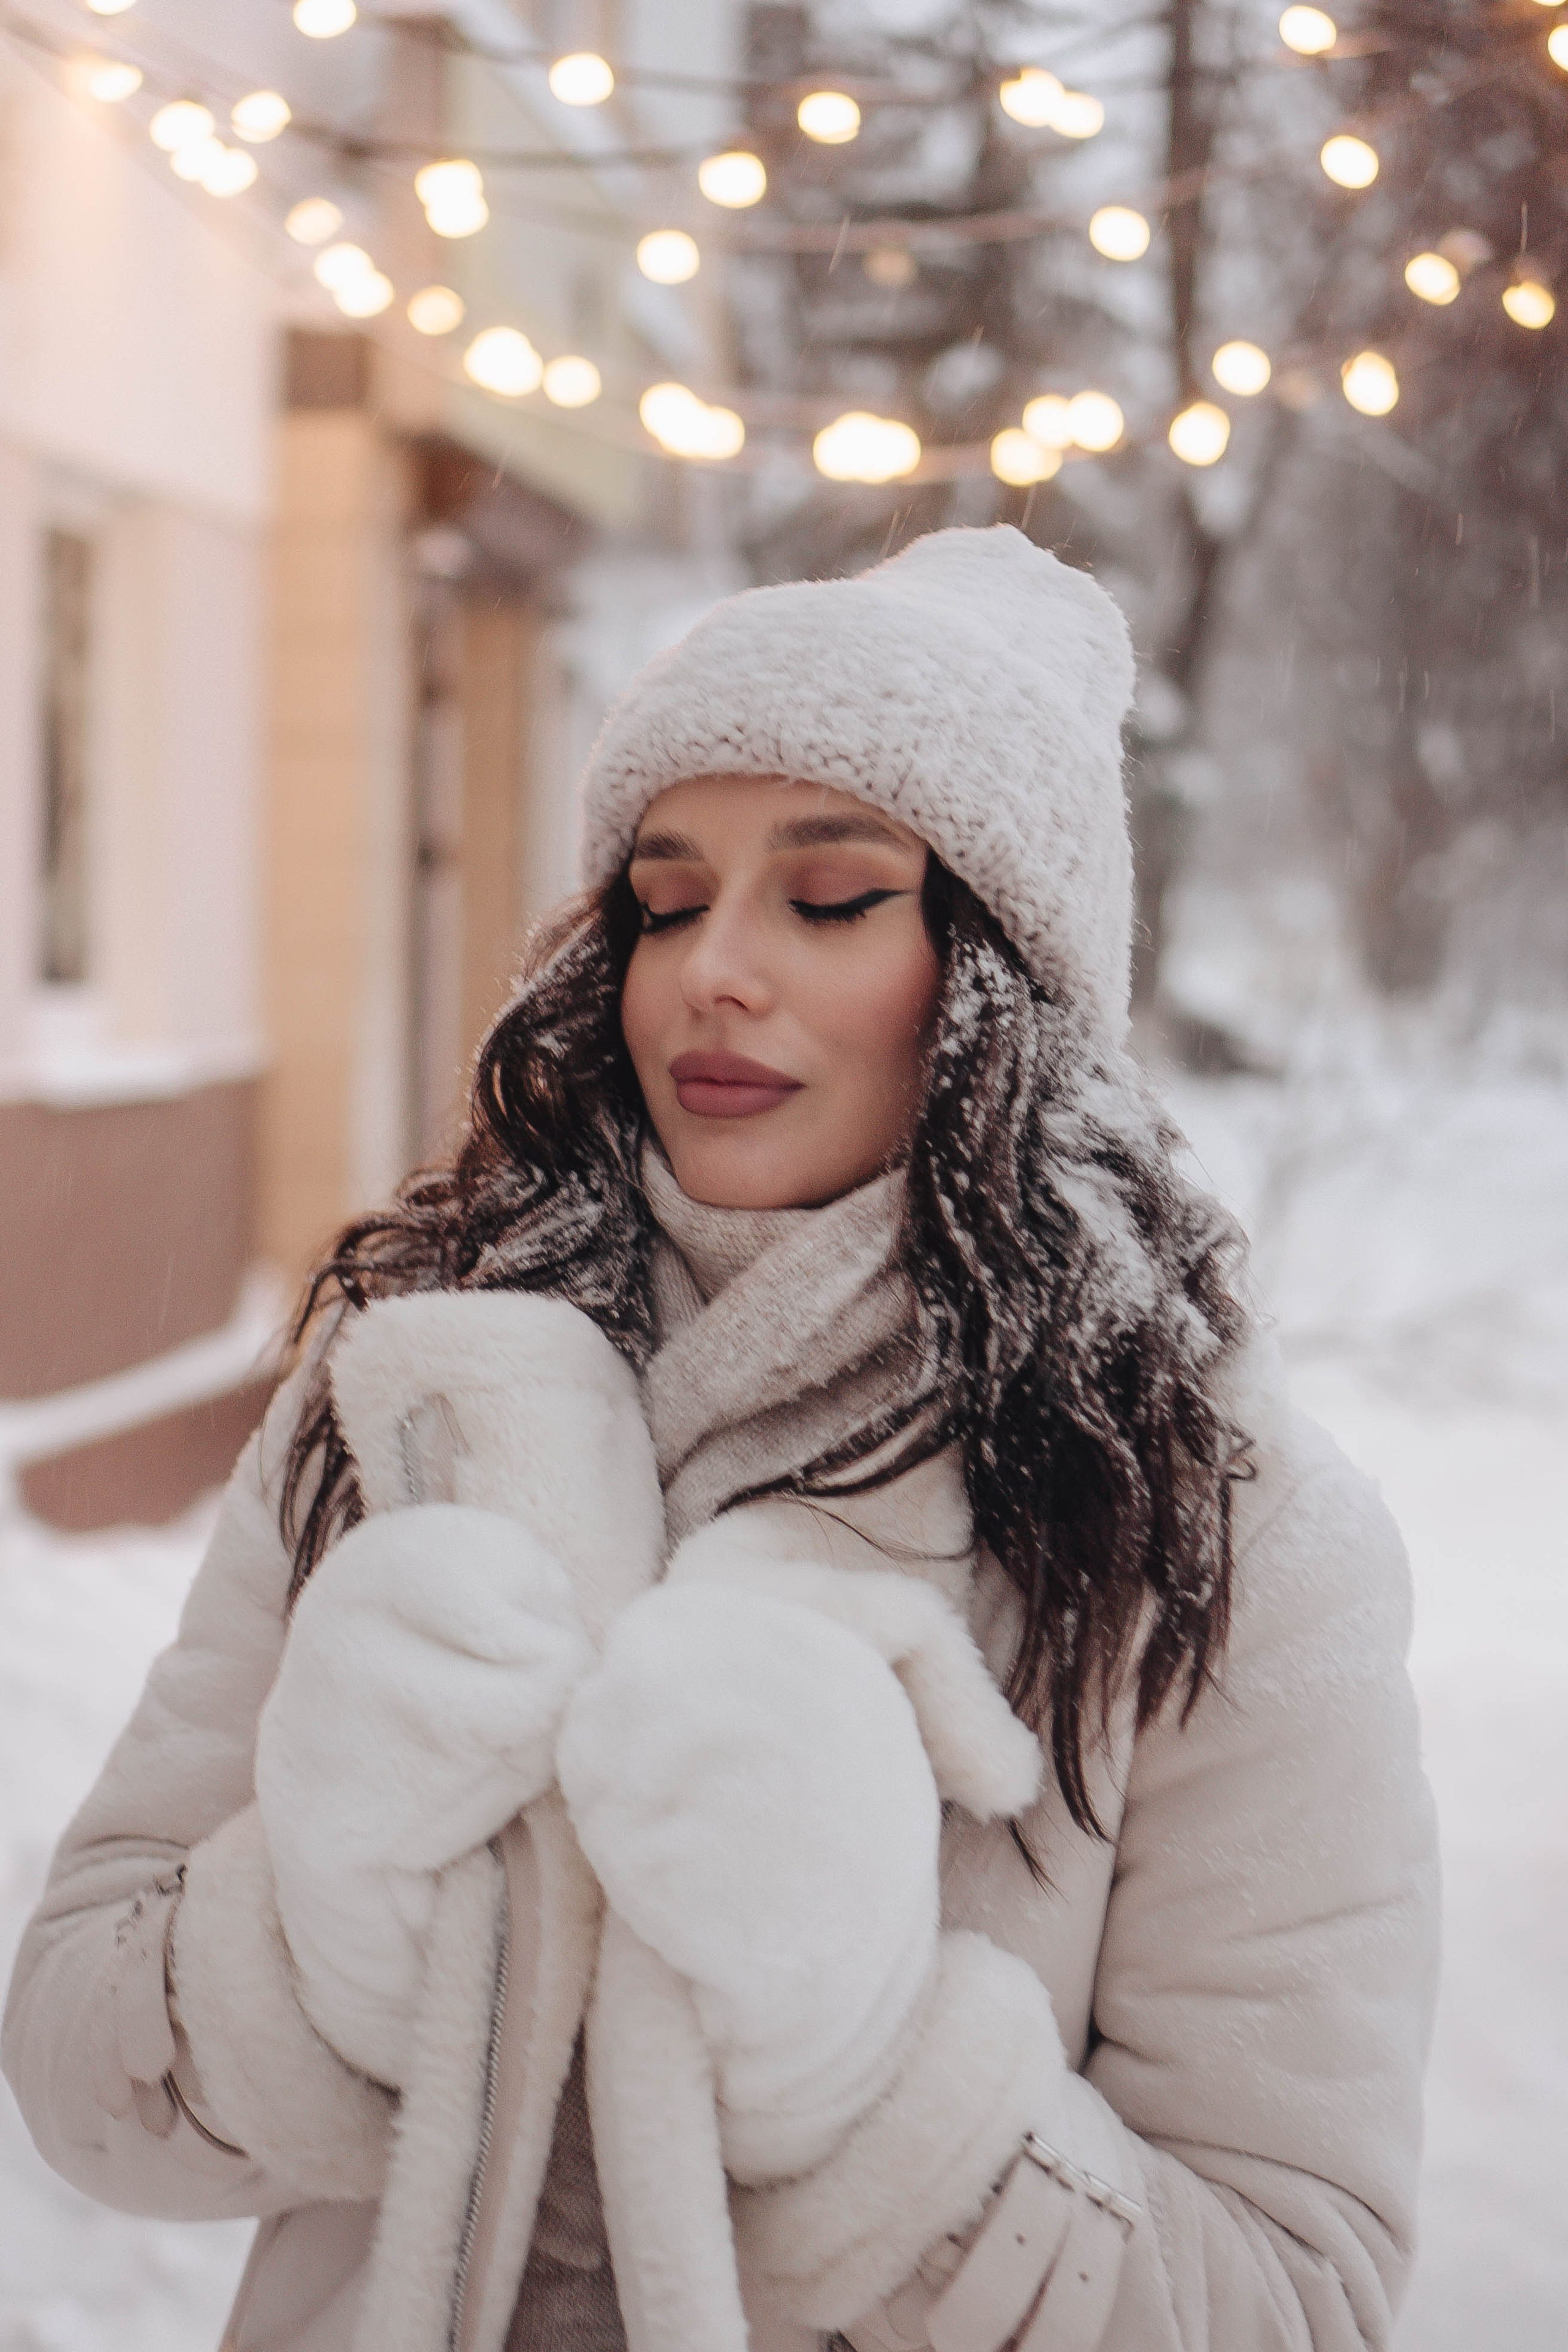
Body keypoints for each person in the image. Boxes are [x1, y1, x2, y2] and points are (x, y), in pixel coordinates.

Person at [4, 527, 1439, 2352]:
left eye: (829, 898)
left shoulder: (1218, 1529)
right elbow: (70, 2062)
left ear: (1001, 978)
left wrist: (861, 2065)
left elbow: (1291, 2294)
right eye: (668, 901)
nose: (713, 974)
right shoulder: (423, 1384)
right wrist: (323, 1929)